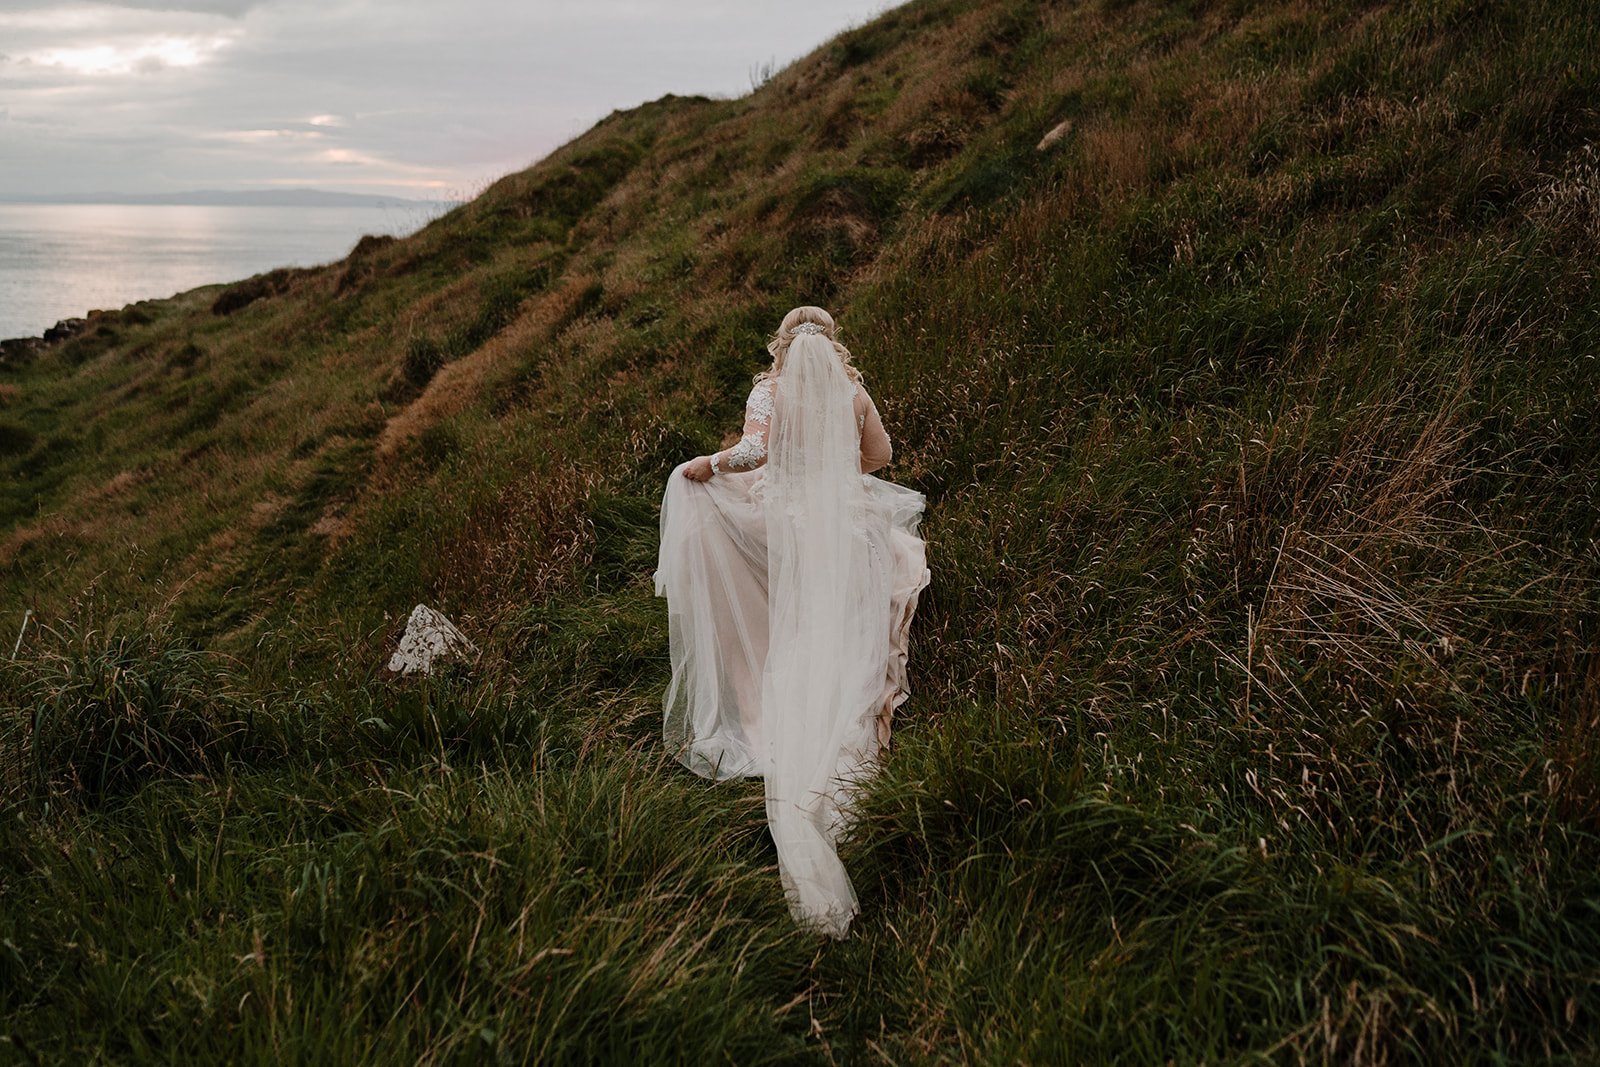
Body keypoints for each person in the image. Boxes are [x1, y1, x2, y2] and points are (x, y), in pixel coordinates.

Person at [654, 305, 930, 938]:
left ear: (780, 347)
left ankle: (768, 679)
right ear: (833, 346)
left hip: (795, 528)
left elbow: (755, 450)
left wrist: (709, 463)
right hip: (850, 527)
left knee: (779, 589)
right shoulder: (852, 391)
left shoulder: (768, 390)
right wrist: (833, 474)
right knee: (843, 614)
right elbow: (881, 458)